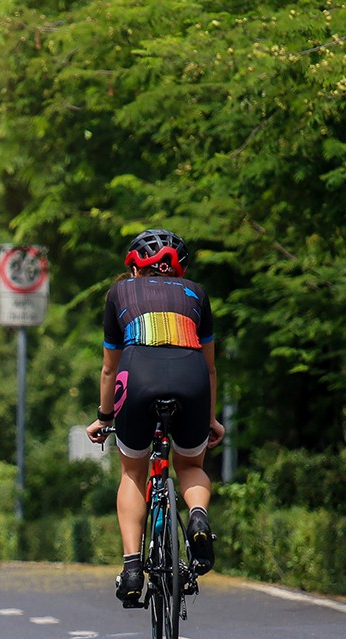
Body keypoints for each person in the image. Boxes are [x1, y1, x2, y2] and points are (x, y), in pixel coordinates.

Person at [86, 228, 225, 608]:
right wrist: (210, 418)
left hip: (138, 373)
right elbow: (210, 369)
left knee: (133, 472)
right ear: (179, 269)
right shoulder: (197, 293)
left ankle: (132, 568)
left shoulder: (119, 292)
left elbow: (109, 368)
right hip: (192, 376)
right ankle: (198, 517)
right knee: (190, 464)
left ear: (134, 267)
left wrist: (103, 417)